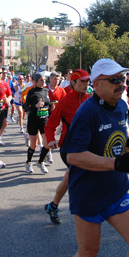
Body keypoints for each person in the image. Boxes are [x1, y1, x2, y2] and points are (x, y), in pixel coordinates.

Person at [61, 58, 129, 257]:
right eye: (114, 80)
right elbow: (73, 156)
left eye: (122, 78)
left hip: (116, 190)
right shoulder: (87, 112)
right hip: (89, 195)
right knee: (87, 255)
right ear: (97, 85)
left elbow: (114, 143)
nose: (121, 83)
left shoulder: (120, 105)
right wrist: (116, 164)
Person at [43, 69, 91, 225]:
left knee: (68, 178)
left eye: (87, 81)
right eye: (82, 81)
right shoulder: (65, 101)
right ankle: (85, 212)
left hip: (86, 146)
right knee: (82, 177)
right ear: (73, 82)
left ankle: (53, 206)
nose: (86, 84)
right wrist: (50, 140)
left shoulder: (90, 100)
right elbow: (50, 124)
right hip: (69, 147)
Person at [23, 73, 52, 173]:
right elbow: (25, 107)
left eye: (44, 80)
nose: (44, 82)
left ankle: (40, 162)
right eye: (41, 80)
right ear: (35, 82)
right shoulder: (31, 92)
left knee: (47, 143)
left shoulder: (46, 90)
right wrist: (35, 106)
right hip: (33, 120)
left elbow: (48, 103)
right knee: (33, 145)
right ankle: (28, 162)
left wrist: (51, 106)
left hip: (44, 120)